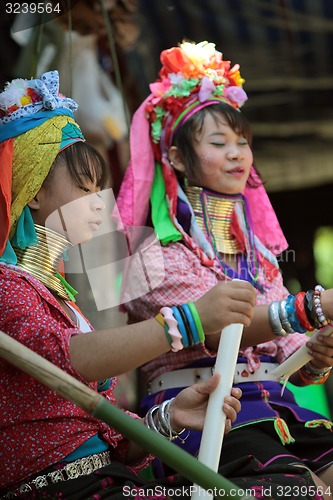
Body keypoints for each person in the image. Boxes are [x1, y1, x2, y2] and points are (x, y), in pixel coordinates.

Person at [0, 70, 255, 498]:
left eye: (101, 187)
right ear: (33, 191)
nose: (101, 202)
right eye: (85, 187)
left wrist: (171, 416)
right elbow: (71, 360)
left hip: (105, 482)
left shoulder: (61, 298)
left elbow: (107, 432)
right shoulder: (7, 285)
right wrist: (189, 321)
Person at [116, 40, 333, 499]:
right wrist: (316, 305)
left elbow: (292, 360)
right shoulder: (153, 251)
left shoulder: (256, 251)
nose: (238, 153)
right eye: (219, 143)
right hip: (200, 416)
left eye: (243, 142)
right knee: (305, 491)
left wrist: (316, 355)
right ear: (176, 158)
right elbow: (215, 329)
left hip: (275, 409)